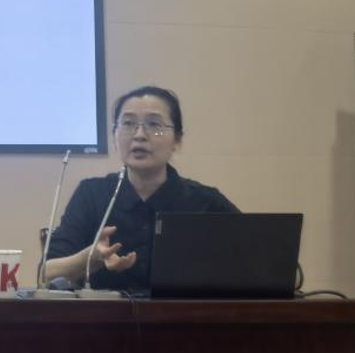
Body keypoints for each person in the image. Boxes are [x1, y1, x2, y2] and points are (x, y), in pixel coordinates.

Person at [42, 86, 238, 291]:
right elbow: (46, 273)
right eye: (128, 124)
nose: (140, 135)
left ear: (177, 139)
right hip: (107, 312)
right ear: (114, 136)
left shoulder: (205, 202)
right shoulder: (92, 194)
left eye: (154, 125)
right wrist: (91, 257)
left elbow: (251, 263)